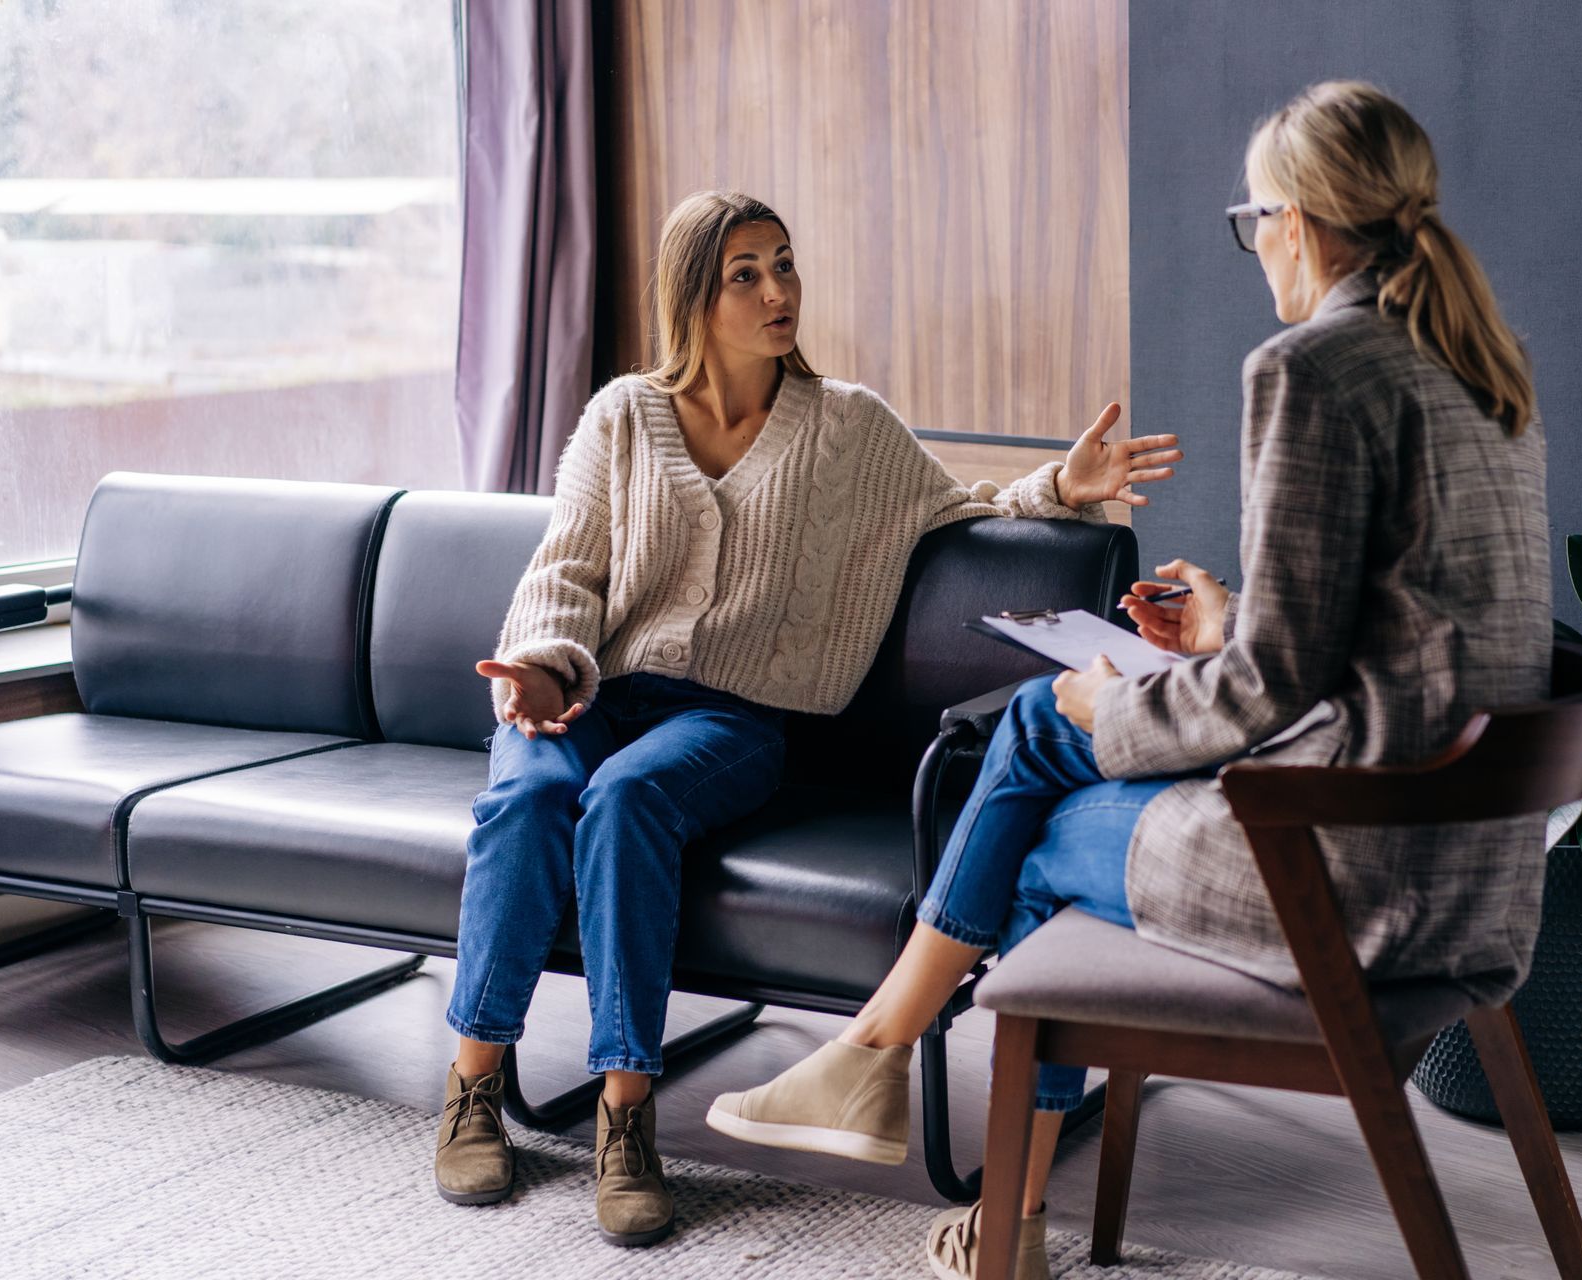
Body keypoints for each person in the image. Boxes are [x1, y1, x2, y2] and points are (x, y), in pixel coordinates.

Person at [709, 80, 1551, 1280]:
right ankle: (909, 1094)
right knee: (1048, 741)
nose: (1255, 246)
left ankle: (939, 1135)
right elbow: (1396, 636)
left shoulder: (1312, 367)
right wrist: (1228, 624)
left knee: (1044, 799)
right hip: (1467, 869)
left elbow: (1265, 698)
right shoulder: (1479, 366)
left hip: (1347, 879)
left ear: (1299, 223)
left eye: (1253, 220)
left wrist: (1127, 701)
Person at [430, 190, 1184, 1245]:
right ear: (694, 293)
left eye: (784, 264)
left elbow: (953, 504)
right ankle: (473, 1085)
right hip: (589, 686)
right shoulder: (621, 416)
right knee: (528, 795)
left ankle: (626, 1115)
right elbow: (568, 571)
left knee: (627, 800)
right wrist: (546, 671)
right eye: (747, 273)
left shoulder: (844, 427)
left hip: (729, 718)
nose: (779, 290)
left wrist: (1066, 482)